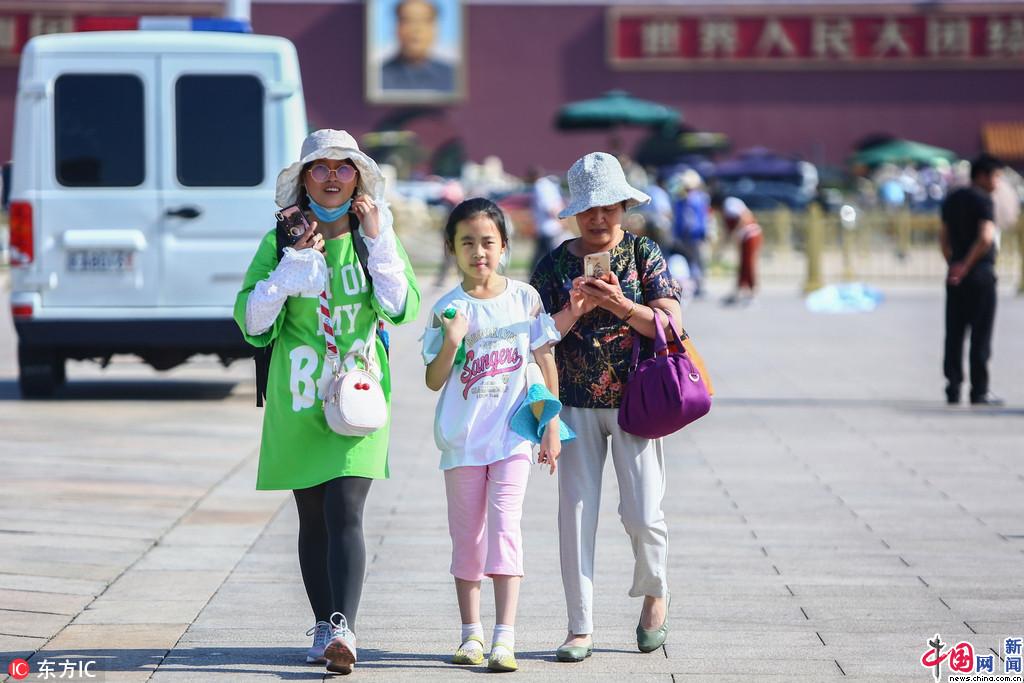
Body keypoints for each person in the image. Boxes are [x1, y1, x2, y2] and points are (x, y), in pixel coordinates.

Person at [233, 129, 421, 675]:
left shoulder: (375, 233)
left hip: (359, 395)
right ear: (305, 177)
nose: (333, 176)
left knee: (346, 509)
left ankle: (345, 629)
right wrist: (287, 273)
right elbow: (250, 323)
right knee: (311, 515)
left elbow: (402, 307)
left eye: (344, 167)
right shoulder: (281, 238)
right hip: (298, 396)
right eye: (321, 167)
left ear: (359, 178)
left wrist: (380, 241)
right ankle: (322, 623)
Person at [529, 152, 682, 662]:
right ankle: (579, 627)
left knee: (643, 512)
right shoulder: (553, 264)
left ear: (623, 204)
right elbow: (537, 339)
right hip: (571, 402)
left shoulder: (643, 253)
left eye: (608, 206)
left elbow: (672, 325)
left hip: (637, 400)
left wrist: (621, 305)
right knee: (574, 516)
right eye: (589, 207)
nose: (599, 217)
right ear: (574, 210)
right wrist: (575, 307)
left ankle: (655, 593)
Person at [422, 197, 564, 673]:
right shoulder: (446, 308)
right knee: (468, 537)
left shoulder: (524, 299)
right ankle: (471, 634)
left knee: (506, 529)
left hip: (512, 440)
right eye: (467, 243)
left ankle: (506, 637)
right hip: (462, 442)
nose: (478, 252)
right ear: (451, 249)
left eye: (488, 242)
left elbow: (544, 362)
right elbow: (434, 379)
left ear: (504, 246)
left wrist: (549, 430)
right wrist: (452, 340)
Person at [940, 154, 1005, 406]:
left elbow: (943, 237)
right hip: (980, 273)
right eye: (996, 176)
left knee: (954, 331)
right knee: (980, 332)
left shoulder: (952, 199)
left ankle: (953, 386)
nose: (998, 183)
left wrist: (954, 265)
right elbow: (986, 237)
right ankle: (979, 390)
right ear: (982, 175)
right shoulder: (983, 200)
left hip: (954, 273)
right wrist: (967, 266)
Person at [381, 0, 455, 92]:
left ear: (435, 29)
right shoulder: (378, 76)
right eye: (407, 20)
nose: (416, 29)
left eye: (425, 21)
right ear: (396, 27)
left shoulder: (452, 75)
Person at [670, 170, 710, 297]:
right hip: (685, 236)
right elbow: (677, 220)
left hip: (696, 235)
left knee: (698, 261)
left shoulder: (699, 199)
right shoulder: (680, 201)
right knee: (689, 261)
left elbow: (702, 219)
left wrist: (704, 233)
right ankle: (690, 284)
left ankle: (699, 285)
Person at [719, 196, 763, 305]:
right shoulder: (727, 209)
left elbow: (745, 216)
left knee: (749, 264)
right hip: (744, 238)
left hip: (750, 235)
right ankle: (740, 291)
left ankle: (753, 292)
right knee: (743, 265)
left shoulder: (729, 204)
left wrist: (736, 231)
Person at [526, 166, 568, 275]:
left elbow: (550, 207)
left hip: (549, 228)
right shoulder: (548, 184)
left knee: (550, 257)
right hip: (549, 228)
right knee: (544, 256)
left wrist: (561, 220)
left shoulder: (540, 187)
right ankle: (536, 276)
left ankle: (536, 277)